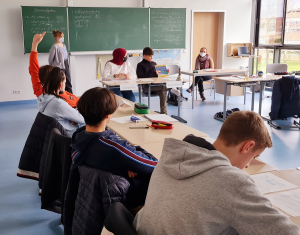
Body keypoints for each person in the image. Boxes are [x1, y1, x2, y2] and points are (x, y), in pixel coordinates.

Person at [133, 111, 300, 234]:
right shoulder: (233, 182)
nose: (248, 165)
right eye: (253, 157)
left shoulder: (172, 156)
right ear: (247, 146)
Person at [72, 87, 158, 208]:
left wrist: (129, 160)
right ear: (108, 115)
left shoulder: (78, 136)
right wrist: (133, 152)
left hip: (97, 199)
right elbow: (155, 166)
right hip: (130, 200)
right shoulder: (115, 148)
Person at [30, 32, 79, 108]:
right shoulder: (66, 101)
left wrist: (35, 44)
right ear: (60, 85)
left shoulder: (40, 92)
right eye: (64, 82)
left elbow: (34, 67)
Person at [39, 67, 85, 137]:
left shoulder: (44, 98)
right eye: (65, 83)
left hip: (57, 135)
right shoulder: (58, 103)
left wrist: (71, 118)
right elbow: (82, 119)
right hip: (69, 135)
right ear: (60, 86)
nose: (65, 85)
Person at [136, 47, 168, 114]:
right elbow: (140, 77)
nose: (152, 57)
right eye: (150, 56)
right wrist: (154, 73)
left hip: (156, 86)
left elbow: (158, 76)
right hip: (147, 87)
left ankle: (164, 113)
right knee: (164, 88)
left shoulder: (154, 63)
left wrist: (164, 72)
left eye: (152, 56)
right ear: (145, 56)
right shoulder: (140, 65)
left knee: (162, 92)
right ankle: (170, 88)